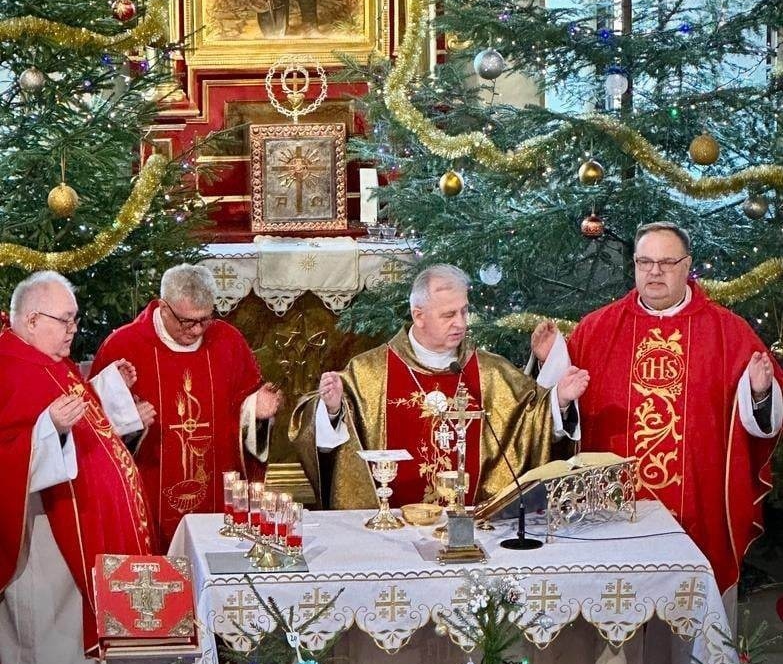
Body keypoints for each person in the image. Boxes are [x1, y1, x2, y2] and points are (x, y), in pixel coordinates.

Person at [531, 221, 782, 593]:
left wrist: (761, 393)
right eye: (645, 262)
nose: (654, 272)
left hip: (698, 501)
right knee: (614, 610)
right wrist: (550, 368)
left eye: (666, 262)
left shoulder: (727, 331)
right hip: (611, 504)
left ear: (687, 264)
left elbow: (764, 420)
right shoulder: (597, 328)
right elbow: (553, 418)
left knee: (691, 623)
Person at [0, 271, 152, 664]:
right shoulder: (9, 366)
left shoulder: (49, 361)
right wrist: (48, 430)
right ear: (29, 320)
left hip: (77, 549)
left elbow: (82, 424)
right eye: (64, 320)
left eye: (74, 319)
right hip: (40, 549)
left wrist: (110, 390)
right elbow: (10, 453)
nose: (72, 330)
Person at [289, 264, 589, 509]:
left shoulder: (490, 371)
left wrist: (559, 400)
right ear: (418, 316)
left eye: (463, 311)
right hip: (394, 533)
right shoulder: (369, 371)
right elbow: (322, 443)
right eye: (449, 314)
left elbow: (531, 419)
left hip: (475, 525)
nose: (460, 323)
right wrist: (331, 410)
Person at [91, 263, 282, 549]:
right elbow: (93, 427)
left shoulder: (228, 340)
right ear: (163, 308)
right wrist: (129, 420)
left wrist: (256, 409)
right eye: (186, 321)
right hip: (150, 494)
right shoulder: (124, 345)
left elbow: (243, 403)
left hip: (217, 493)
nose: (196, 330)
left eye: (204, 320)